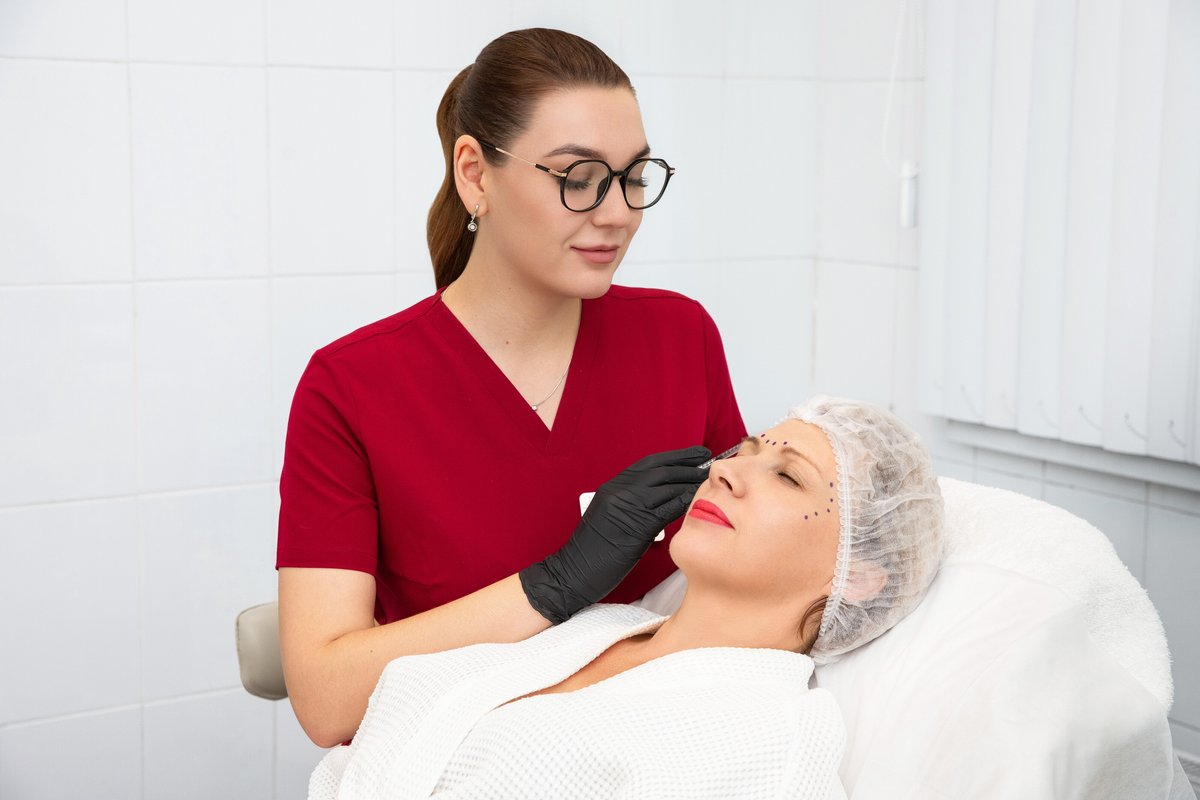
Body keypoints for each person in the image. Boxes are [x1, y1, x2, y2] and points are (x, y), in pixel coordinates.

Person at [276, 27, 746, 748]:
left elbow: (751, 569)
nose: (618, 213)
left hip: (663, 746)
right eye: (578, 177)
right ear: (475, 174)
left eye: (634, 176)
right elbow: (324, 699)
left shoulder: (680, 337)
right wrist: (556, 584)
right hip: (470, 762)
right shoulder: (352, 386)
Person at [307, 397, 948, 799]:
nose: (727, 470)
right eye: (743, 452)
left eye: (786, 476)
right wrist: (557, 581)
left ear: (858, 575)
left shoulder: (767, 741)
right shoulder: (598, 627)